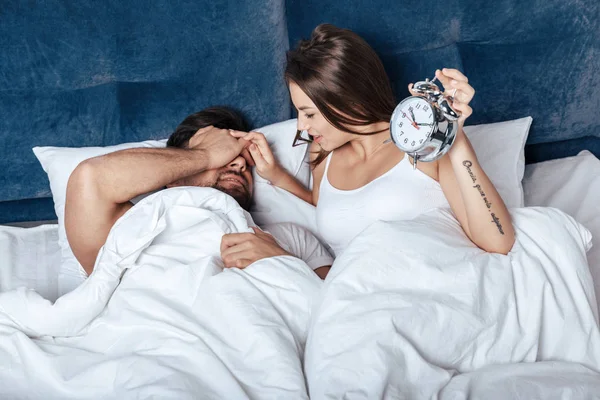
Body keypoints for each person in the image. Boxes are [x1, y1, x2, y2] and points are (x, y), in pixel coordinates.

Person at [229, 24, 516, 265]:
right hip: (356, 301)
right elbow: (333, 205)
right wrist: (278, 177)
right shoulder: (322, 155)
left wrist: (455, 138)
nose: (302, 126)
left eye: (309, 114)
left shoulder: (424, 149)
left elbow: (497, 241)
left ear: (346, 100)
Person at [64, 106, 332, 279]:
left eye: (242, 157)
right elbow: (91, 178)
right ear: (174, 176)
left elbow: (336, 307)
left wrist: (281, 261)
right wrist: (205, 155)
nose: (238, 162)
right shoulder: (131, 233)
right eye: (224, 154)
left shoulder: (290, 239)